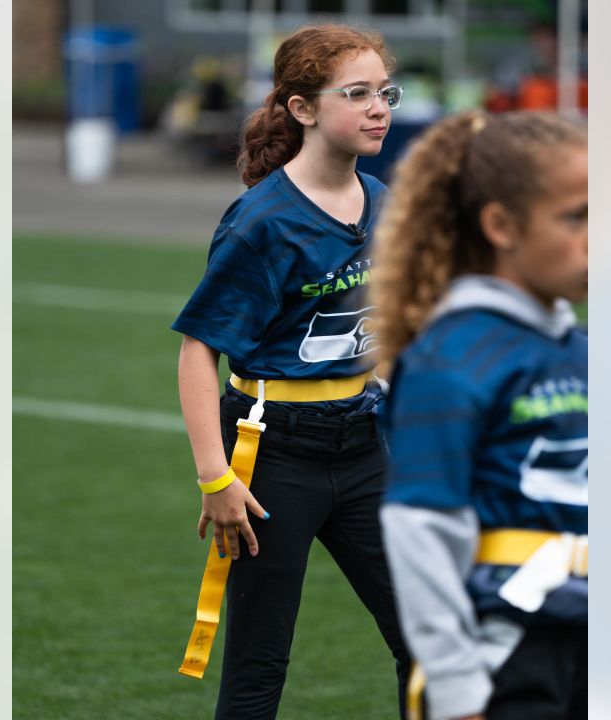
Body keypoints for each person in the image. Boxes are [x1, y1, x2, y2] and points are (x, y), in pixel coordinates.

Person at [171, 24, 412, 720]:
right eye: (357, 94)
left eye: (384, 93)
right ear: (302, 109)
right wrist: (217, 478)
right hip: (272, 457)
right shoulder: (263, 223)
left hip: (366, 446)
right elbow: (197, 351)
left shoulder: (385, 199)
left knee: (433, 639)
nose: (379, 109)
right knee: (258, 665)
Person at [371, 110, 588, 720]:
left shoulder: (589, 351)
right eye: (576, 217)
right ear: (500, 225)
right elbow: (421, 532)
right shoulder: (451, 358)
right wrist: (458, 687)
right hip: (506, 656)